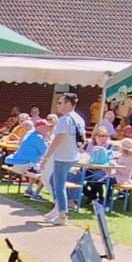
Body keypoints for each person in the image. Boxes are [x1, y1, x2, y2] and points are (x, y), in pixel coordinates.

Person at [40, 92, 85, 227]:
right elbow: (82, 140)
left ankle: (62, 215)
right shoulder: (79, 119)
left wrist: (46, 157)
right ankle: (57, 209)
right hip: (72, 156)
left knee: (59, 186)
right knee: (53, 181)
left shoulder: (64, 120)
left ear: (68, 104)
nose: (57, 105)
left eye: (60, 102)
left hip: (63, 157)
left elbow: (58, 139)